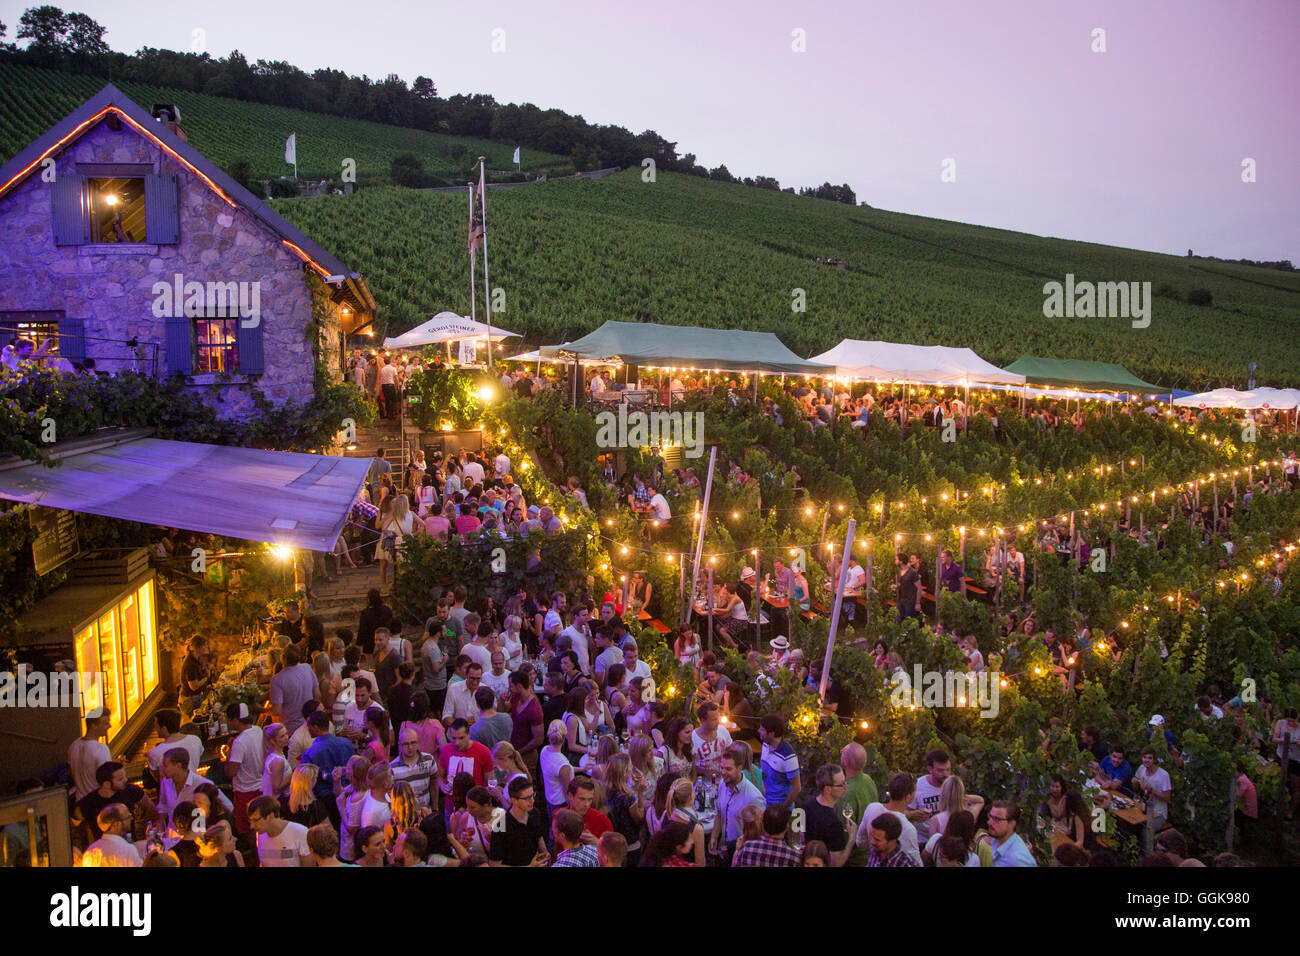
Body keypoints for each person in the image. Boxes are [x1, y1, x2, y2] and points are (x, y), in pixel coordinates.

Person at [854, 772, 922, 867]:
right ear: (908, 797)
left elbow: (860, 842)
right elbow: (917, 863)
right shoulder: (908, 829)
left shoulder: (872, 808)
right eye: (915, 791)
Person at [712, 750, 766, 864]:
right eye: (721, 768)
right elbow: (719, 813)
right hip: (723, 850)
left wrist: (734, 849)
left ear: (740, 768)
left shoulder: (754, 798)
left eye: (728, 769)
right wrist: (714, 837)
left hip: (742, 856)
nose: (723, 772)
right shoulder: (723, 783)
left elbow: (758, 835)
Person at [158, 747, 232, 829]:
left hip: (194, 836)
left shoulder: (202, 783)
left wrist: (212, 828)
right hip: (171, 835)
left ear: (178, 766)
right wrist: (160, 822)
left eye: (165, 766)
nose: (162, 769)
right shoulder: (166, 782)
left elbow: (228, 806)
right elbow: (163, 805)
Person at [798, 764, 854, 866]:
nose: (846, 786)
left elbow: (797, 836)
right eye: (841, 784)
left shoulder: (806, 805)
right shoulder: (834, 824)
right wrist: (852, 839)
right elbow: (836, 863)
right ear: (828, 789)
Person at [489, 777, 550, 867]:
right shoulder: (500, 827)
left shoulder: (534, 813)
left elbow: (539, 837)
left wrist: (545, 853)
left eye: (533, 795)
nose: (532, 801)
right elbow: (494, 864)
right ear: (514, 800)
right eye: (527, 798)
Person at [839, 743, 878, 866]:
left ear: (846, 761)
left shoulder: (847, 793)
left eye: (842, 754)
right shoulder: (868, 780)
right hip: (870, 853)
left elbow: (846, 831)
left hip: (854, 859)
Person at [248, 795, 315, 867]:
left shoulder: (300, 832)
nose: (251, 826)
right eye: (250, 821)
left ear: (271, 816)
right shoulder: (260, 834)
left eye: (256, 820)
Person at [270, 646, 319, 736]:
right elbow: (317, 695)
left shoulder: (277, 679)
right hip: (310, 725)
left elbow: (277, 711)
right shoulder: (307, 668)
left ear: (283, 658)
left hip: (290, 729)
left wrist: (261, 710)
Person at [145, 709, 203, 783]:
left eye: (156, 725)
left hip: (171, 793)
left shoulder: (155, 753)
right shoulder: (195, 740)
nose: (155, 728)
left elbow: (157, 778)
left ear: (164, 729)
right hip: (194, 786)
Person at [1133, 747, 1173, 851]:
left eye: (1149, 758)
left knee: (1146, 831)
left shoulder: (1163, 775)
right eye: (1144, 757)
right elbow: (1136, 788)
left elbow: (1167, 798)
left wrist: (1151, 789)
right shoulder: (1141, 769)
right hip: (1144, 808)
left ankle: (1146, 856)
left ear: (1154, 760)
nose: (1146, 760)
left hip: (1158, 813)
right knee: (1130, 824)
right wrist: (1135, 783)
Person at [390, 726, 439, 811]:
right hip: (405, 814)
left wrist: (435, 809)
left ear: (418, 742)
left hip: (426, 812)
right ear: (400, 744)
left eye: (413, 743)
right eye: (406, 744)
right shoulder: (393, 767)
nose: (410, 747)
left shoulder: (428, 760)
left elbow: (434, 785)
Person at [758, 714, 802, 809]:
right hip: (764, 801)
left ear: (771, 734)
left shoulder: (788, 756)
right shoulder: (765, 744)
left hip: (777, 807)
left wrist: (782, 809)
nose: (758, 731)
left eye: (762, 729)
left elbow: (797, 787)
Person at [439, 719, 493, 794]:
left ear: (469, 734)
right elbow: (439, 776)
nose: (457, 743)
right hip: (451, 803)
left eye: (461, 738)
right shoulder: (446, 750)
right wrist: (442, 786)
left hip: (475, 802)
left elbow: (490, 782)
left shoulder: (483, 751)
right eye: (454, 738)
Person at [908, 748, 951, 842]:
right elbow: (905, 811)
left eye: (948, 770)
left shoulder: (952, 785)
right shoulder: (918, 786)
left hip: (947, 841)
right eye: (940, 770)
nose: (945, 774)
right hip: (923, 841)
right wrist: (912, 814)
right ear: (930, 769)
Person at [69, 713, 112, 801]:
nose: (110, 726)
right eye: (105, 723)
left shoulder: (74, 745)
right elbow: (107, 780)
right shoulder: (101, 749)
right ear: (93, 725)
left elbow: (74, 771)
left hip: (80, 802)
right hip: (97, 802)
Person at [692, 701, 733, 781]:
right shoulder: (692, 738)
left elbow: (731, 752)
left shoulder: (723, 731)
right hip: (702, 783)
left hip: (723, 781)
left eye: (718, 718)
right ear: (702, 720)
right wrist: (704, 772)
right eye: (714, 719)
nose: (718, 722)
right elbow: (687, 767)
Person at [988, 800, 1037, 866]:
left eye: (997, 819)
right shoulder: (997, 839)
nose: (989, 822)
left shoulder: (1018, 860)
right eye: (990, 817)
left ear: (1012, 824)